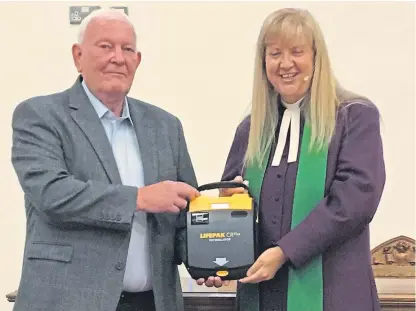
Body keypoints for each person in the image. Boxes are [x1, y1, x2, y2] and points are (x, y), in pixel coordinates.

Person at [11, 9, 200, 311]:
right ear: (78, 56)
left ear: (137, 61)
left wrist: (208, 255)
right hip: (67, 303)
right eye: (105, 46)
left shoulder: (166, 126)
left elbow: (182, 217)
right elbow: (52, 193)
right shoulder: (39, 115)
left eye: (127, 49)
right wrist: (139, 198)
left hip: (152, 303)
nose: (118, 57)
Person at [216, 8, 386, 311]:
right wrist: (219, 251)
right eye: (275, 53)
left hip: (333, 294)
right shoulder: (251, 129)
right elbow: (229, 196)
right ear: (263, 62)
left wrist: (284, 251)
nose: (285, 64)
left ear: (316, 57)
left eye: (296, 52)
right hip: (262, 295)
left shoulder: (353, 117)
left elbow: (354, 202)